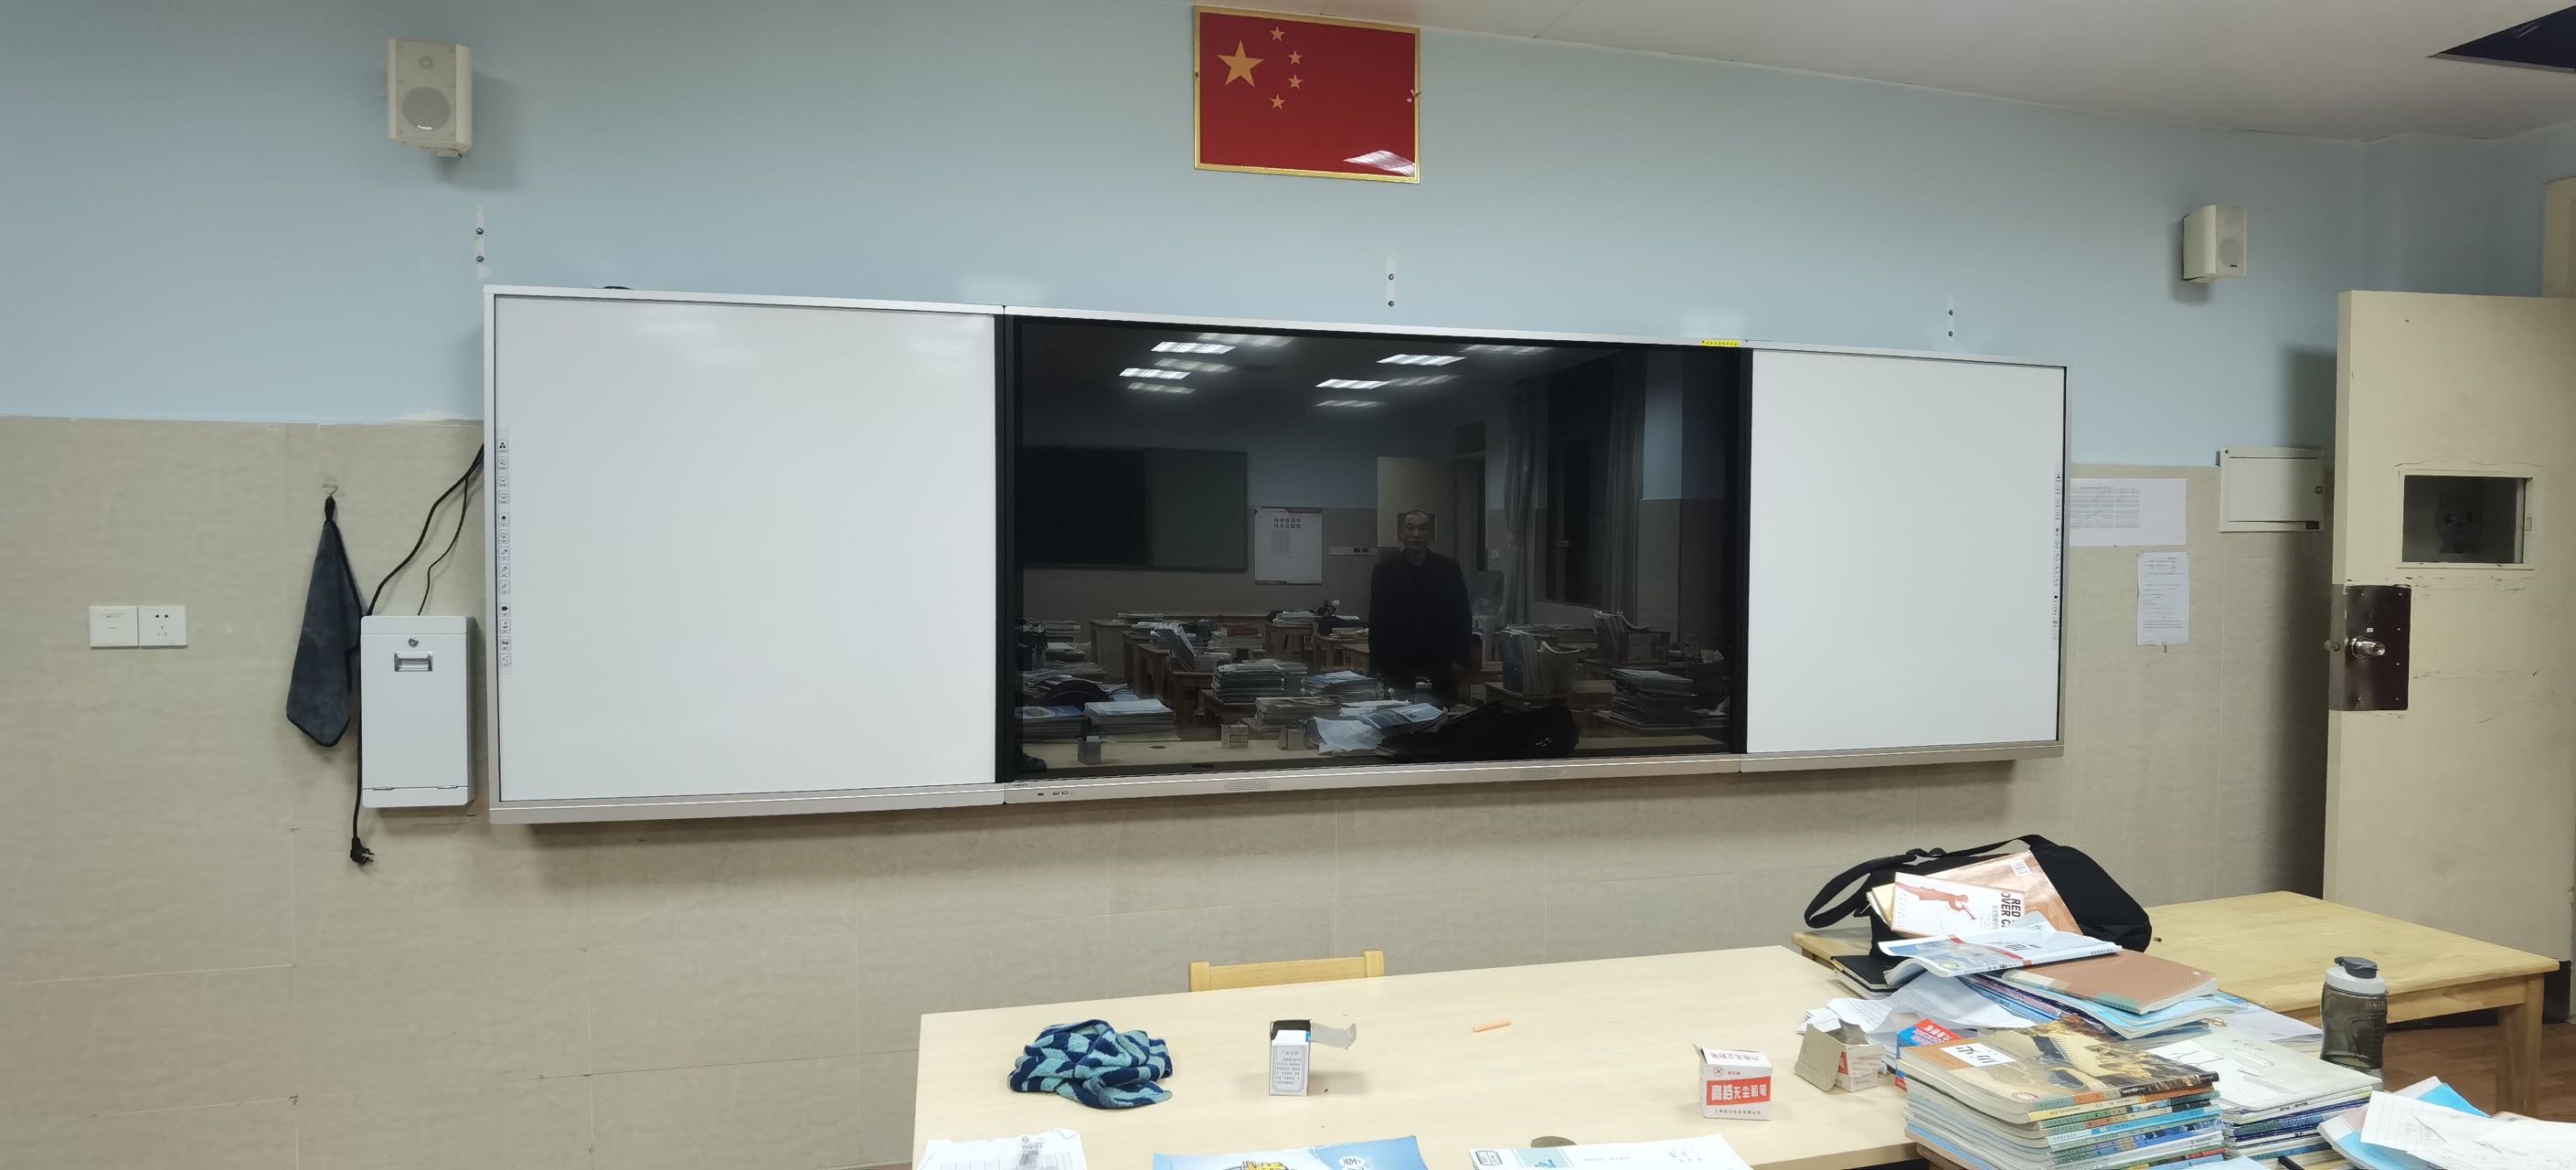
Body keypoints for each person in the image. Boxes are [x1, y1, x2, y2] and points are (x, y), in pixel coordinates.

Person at [1368, 509, 1474, 703]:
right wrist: (1376, 667)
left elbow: (1462, 617)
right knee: (1397, 714)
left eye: (1422, 529)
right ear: (1401, 533)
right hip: (1397, 661)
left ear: (1431, 534)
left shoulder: (1449, 569)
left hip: (1439, 660)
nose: (1416, 534)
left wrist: (1459, 660)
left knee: (1442, 714)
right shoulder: (1384, 571)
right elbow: (1377, 621)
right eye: (1410, 528)